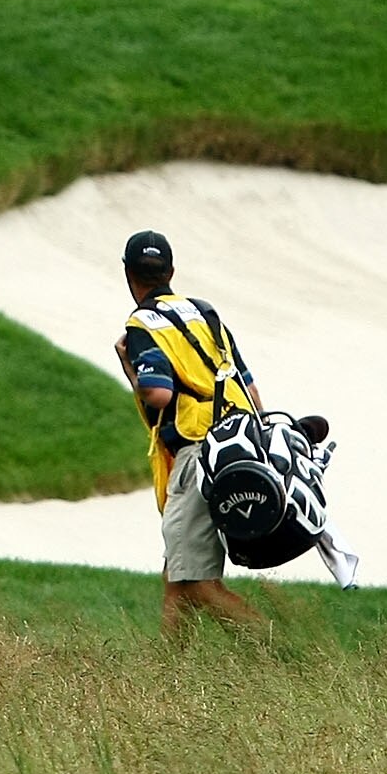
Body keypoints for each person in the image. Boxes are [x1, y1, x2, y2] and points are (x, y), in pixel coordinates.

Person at [119, 229, 265, 637]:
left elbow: (160, 394)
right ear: (171, 272)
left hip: (196, 452)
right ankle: (168, 678)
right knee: (176, 578)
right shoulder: (204, 312)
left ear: (129, 275)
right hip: (238, 442)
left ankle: (278, 649)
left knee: (197, 584)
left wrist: (131, 371)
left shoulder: (142, 324)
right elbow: (250, 388)